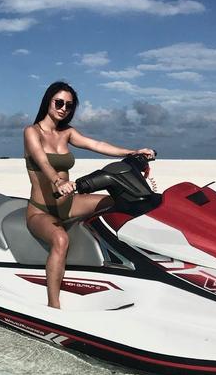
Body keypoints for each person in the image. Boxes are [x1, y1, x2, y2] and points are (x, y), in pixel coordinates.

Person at [24, 81, 154, 309]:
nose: (64, 108)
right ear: (48, 102)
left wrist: (132, 152)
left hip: (69, 203)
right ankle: (53, 305)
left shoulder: (67, 133)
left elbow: (97, 144)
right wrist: (57, 181)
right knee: (61, 240)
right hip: (41, 210)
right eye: (59, 103)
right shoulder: (32, 132)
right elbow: (42, 160)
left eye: (69, 105)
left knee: (118, 203)